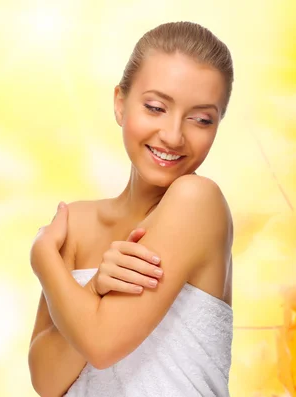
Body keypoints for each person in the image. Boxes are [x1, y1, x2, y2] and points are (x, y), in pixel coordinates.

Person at [27, 21, 234, 397]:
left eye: (201, 119)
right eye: (155, 107)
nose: (173, 135)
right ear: (120, 104)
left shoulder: (197, 202)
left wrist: (43, 259)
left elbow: (102, 344)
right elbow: (46, 380)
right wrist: (93, 288)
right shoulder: (75, 222)